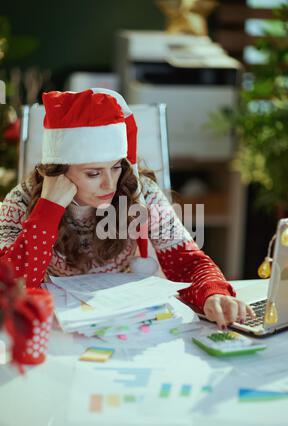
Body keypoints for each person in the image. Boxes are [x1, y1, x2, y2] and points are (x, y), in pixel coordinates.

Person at [0, 88, 255, 329]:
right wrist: (48, 210)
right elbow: (9, 286)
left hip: (124, 321)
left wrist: (213, 293)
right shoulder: (21, 201)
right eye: (92, 173)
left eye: (115, 167)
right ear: (58, 170)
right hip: (54, 329)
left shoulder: (139, 191)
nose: (109, 184)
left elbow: (187, 261)